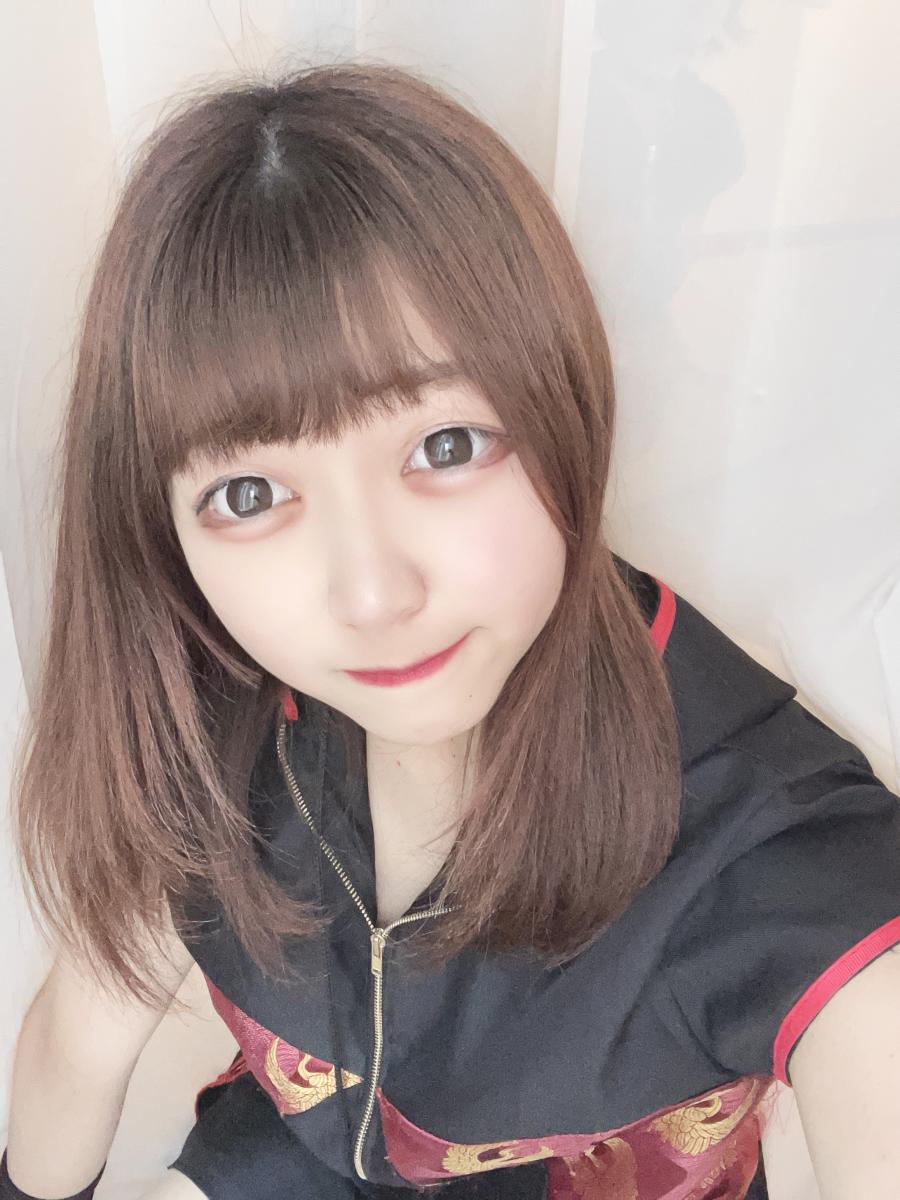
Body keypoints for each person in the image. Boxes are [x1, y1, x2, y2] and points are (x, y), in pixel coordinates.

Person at [2, 61, 899, 1200]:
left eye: (445, 446)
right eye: (249, 494)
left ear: (564, 402)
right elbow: (76, 1042)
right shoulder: (202, 718)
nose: (372, 594)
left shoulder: (769, 846)